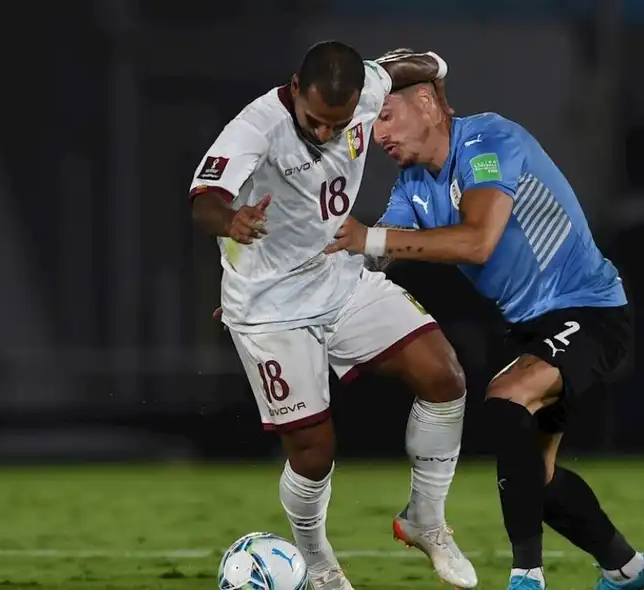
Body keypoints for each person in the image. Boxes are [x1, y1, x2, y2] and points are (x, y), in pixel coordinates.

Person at [326, 64, 644, 590]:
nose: (379, 135)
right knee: (539, 478)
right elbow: (370, 255)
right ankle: (625, 569)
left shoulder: (489, 139)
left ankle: (526, 577)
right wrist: (284, 293)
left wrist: (370, 240)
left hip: (591, 309)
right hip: (531, 327)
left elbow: (476, 241)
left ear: (427, 104)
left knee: (507, 399)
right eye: (374, 123)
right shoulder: (413, 184)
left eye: (387, 116)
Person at [189, 41, 477, 590]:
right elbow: (204, 199)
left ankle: (426, 520)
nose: (325, 134)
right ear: (295, 89)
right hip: (271, 310)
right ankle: (318, 565)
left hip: (339, 277)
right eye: (316, 121)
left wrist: (437, 75)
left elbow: (419, 64)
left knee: (443, 375)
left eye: (337, 124)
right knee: (314, 453)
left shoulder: (368, 86)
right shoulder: (254, 128)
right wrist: (231, 221)